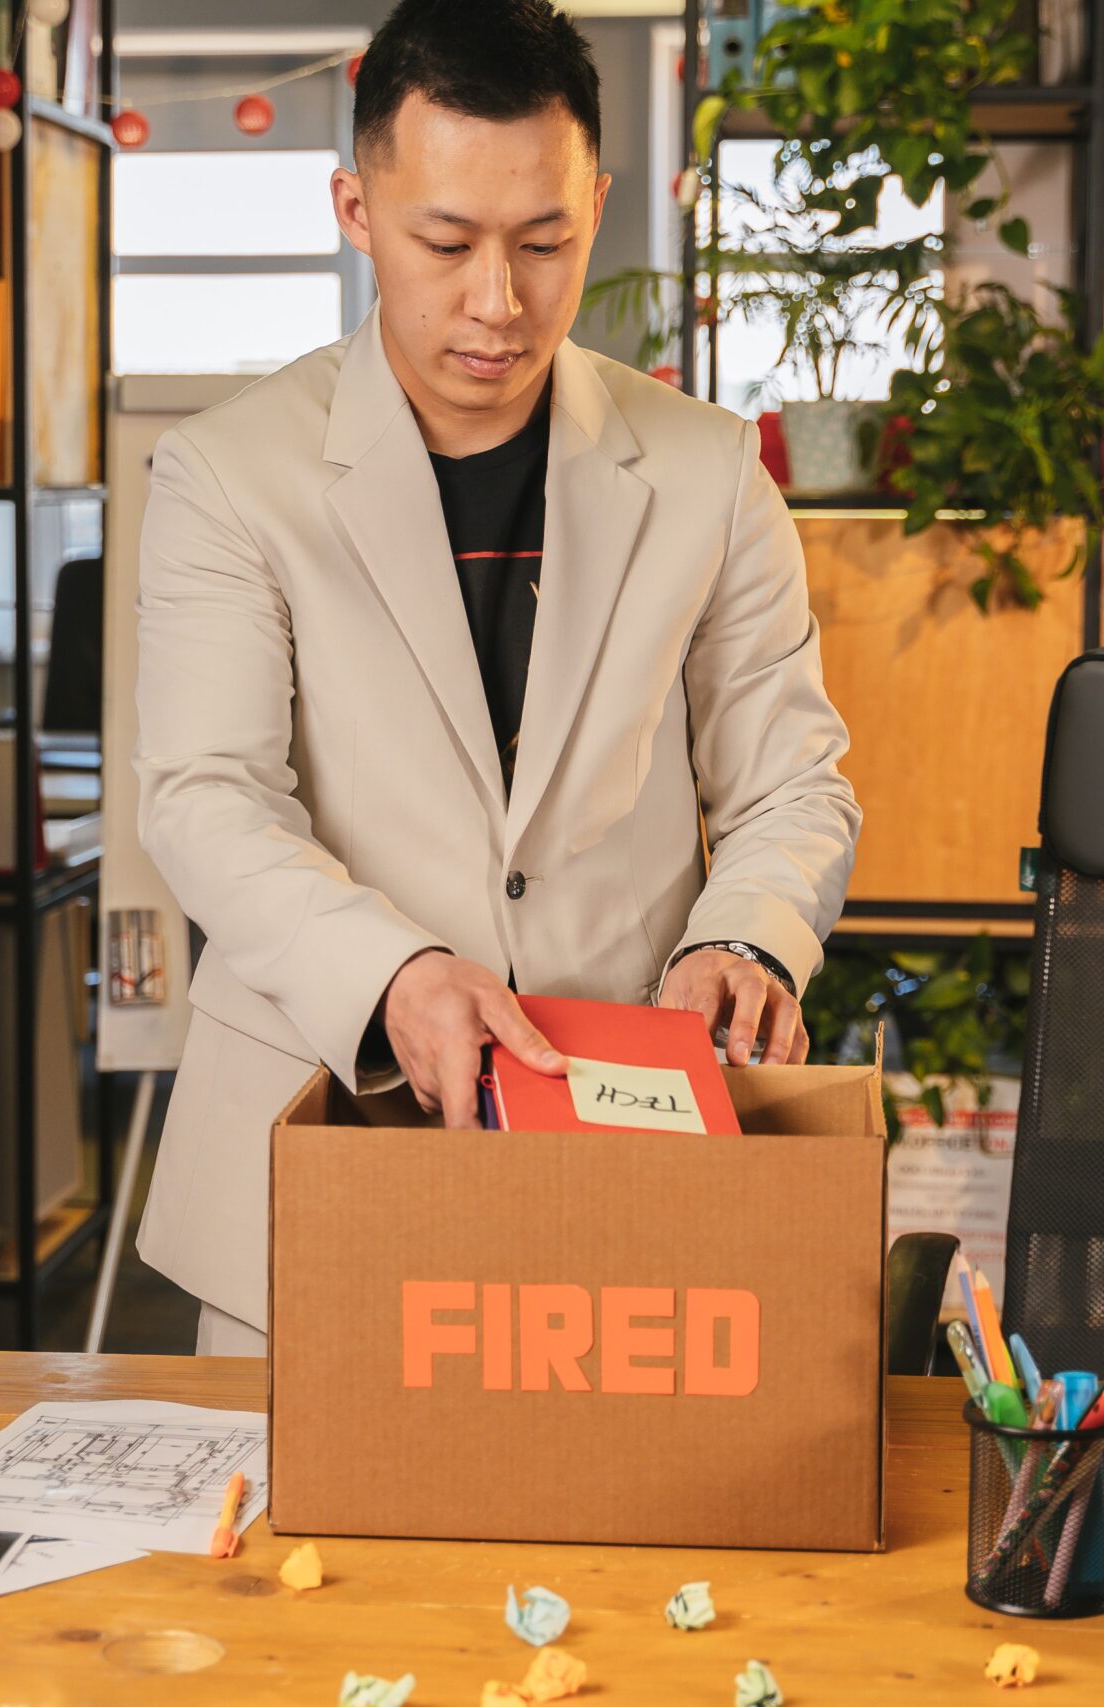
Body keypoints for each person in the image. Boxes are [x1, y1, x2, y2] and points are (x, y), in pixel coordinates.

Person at [131, 0, 861, 1356]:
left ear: (597, 202)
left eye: (545, 242)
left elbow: (790, 783)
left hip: (623, 1138)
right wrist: (397, 971)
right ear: (356, 207)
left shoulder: (707, 472)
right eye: (446, 242)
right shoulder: (231, 473)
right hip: (318, 1126)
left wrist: (744, 936)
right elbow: (205, 797)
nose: (498, 301)